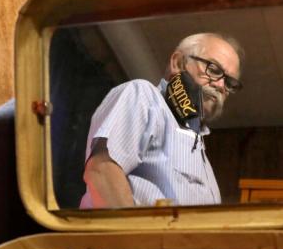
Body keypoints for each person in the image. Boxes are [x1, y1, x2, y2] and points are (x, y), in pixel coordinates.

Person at [79, 32, 243, 208]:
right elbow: (101, 171)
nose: (220, 86)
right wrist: (135, 235)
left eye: (229, 83)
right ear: (178, 63)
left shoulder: (199, 144)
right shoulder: (143, 96)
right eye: (214, 70)